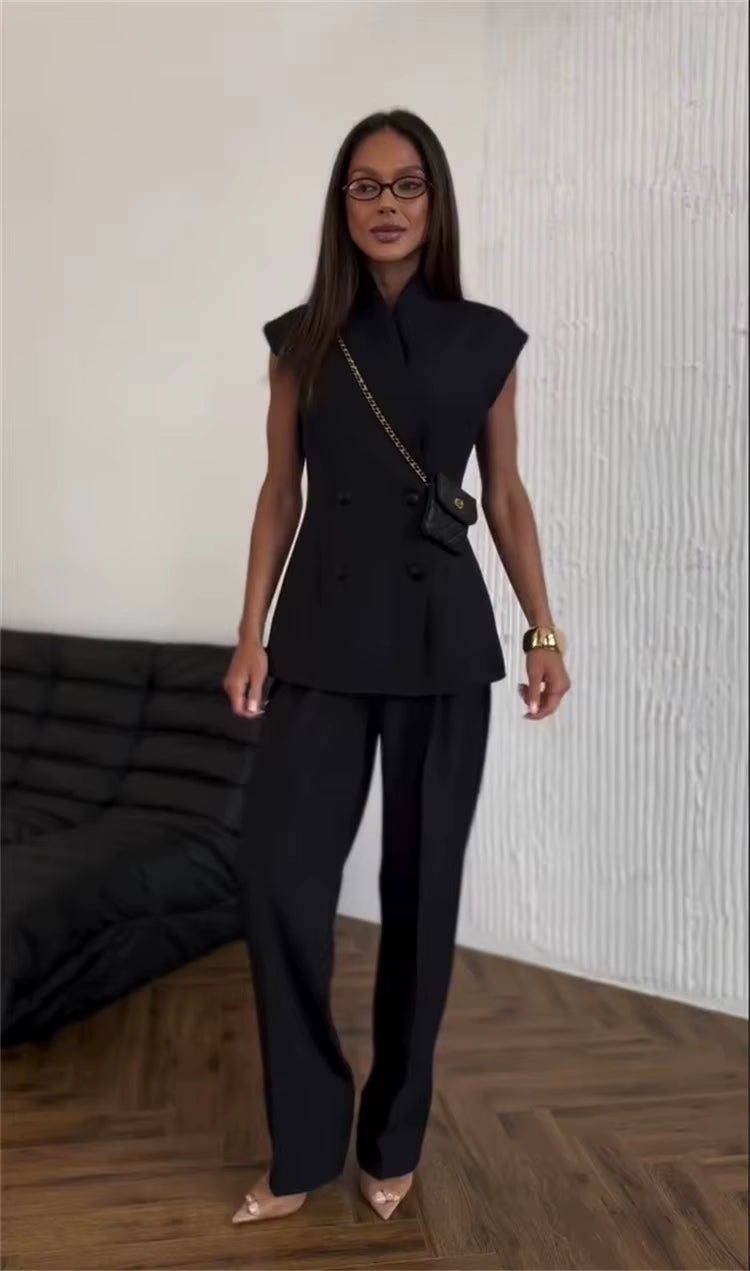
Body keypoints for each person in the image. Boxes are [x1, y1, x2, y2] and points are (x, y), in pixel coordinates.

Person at [223, 109, 570, 1226]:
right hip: (320, 637)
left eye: (407, 184)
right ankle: (303, 1142)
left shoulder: (487, 340)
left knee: (422, 897)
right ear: (342, 205)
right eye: (365, 186)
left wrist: (544, 629)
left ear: (435, 201)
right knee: (278, 879)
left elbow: (504, 494)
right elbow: (280, 493)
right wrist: (250, 629)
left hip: (440, 639)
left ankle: (393, 1138)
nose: (386, 204)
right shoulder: (300, 340)